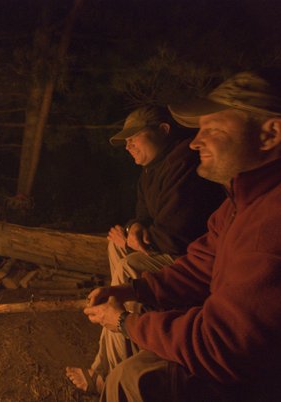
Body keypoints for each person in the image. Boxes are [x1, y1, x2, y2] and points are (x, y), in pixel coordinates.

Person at [85, 69, 281, 402]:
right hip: (237, 352)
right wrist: (134, 290)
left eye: (213, 128)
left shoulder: (277, 221)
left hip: (266, 379)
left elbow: (221, 345)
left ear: (270, 133)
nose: (195, 141)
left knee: (135, 378)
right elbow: (201, 263)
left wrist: (126, 322)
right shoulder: (243, 198)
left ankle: (106, 374)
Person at [66, 106, 223, 394]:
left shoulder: (185, 162)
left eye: (135, 137)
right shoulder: (152, 169)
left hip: (191, 258)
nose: (128, 145)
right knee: (117, 247)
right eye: (126, 141)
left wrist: (140, 238)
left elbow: (177, 235)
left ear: (163, 131)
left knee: (129, 268)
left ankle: (106, 373)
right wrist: (135, 227)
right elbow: (143, 213)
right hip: (169, 248)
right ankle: (106, 361)